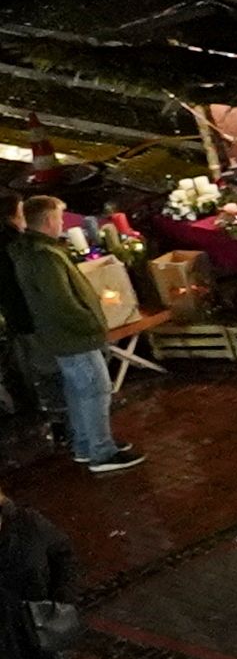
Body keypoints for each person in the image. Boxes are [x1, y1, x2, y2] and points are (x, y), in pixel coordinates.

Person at [10, 198, 138, 475]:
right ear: (47, 221)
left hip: (61, 337)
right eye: (58, 218)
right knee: (95, 391)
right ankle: (102, 452)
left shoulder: (30, 252)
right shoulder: (45, 256)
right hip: (74, 337)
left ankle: (84, 445)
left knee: (79, 392)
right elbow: (61, 301)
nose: (62, 223)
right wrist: (90, 324)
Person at [2, 482, 84, 659]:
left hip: (43, 621)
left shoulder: (28, 524)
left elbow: (62, 553)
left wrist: (63, 598)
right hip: (6, 639)